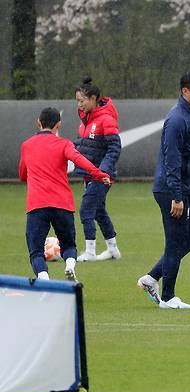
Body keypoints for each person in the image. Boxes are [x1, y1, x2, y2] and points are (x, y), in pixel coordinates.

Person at [137, 71, 190, 309]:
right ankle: (167, 297)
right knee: (175, 242)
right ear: (185, 91)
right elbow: (172, 160)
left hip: (184, 190)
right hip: (170, 191)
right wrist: (177, 196)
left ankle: (150, 279)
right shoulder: (177, 119)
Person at [19, 107, 111, 281]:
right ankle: (69, 265)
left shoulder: (27, 145)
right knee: (69, 245)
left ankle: (44, 277)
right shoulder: (64, 144)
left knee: (36, 250)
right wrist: (100, 174)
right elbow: (79, 160)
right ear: (58, 125)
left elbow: (23, 175)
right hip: (62, 203)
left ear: (38, 122)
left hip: (37, 204)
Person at [74, 76, 122, 262]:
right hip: (91, 173)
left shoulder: (106, 119)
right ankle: (113, 249)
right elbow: (85, 144)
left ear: (93, 98)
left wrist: (102, 172)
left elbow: (114, 147)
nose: (79, 105)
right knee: (98, 210)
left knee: (86, 210)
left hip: (101, 175)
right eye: (77, 101)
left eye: (82, 100)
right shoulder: (86, 119)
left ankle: (90, 252)